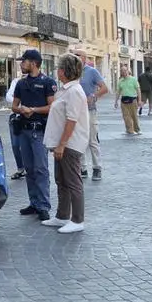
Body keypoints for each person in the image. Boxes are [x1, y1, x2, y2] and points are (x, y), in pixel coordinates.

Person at [41, 53, 90, 234]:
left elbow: (72, 120)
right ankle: (62, 215)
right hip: (62, 143)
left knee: (72, 181)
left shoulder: (74, 91)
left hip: (70, 143)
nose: (57, 71)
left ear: (63, 71)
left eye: (58, 68)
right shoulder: (65, 90)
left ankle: (77, 219)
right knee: (61, 180)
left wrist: (62, 144)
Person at [11, 49, 57, 221]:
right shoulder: (21, 83)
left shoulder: (48, 82)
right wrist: (21, 109)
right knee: (29, 168)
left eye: (24, 61)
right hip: (24, 129)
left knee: (41, 169)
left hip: (39, 130)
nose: (22, 64)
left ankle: (44, 206)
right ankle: (34, 203)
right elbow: (14, 106)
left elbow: (52, 107)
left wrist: (34, 110)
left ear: (34, 63)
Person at [72, 50, 108, 180]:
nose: (75, 57)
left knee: (92, 140)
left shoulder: (92, 71)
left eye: (77, 55)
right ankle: (83, 168)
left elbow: (104, 88)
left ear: (84, 58)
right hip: (75, 111)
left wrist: (93, 95)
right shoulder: (72, 72)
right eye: (73, 55)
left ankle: (97, 168)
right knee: (78, 140)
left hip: (90, 110)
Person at [6, 73, 26, 180]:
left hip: (28, 117)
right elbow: (8, 97)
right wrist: (20, 101)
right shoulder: (16, 81)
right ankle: (20, 168)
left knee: (27, 145)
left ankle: (29, 168)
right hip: (15, 117)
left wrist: (17, 99)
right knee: (15, 145)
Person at [115, 65, 142, 135]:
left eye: (125, 70)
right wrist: (116, 101)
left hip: (132, 100)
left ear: (128, 71)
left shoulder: (133, 79)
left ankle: (137, 129)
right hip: (123, 101)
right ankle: (129, 130)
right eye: (122, 71)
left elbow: (138, 90)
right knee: (126, 116)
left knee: (134, 116)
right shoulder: (120, 81)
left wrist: (139, 100)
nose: (123, 72)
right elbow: (118, 92)